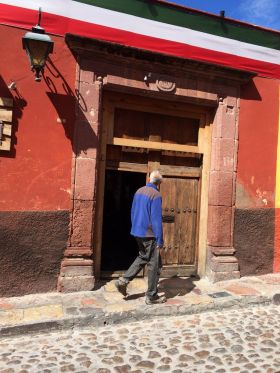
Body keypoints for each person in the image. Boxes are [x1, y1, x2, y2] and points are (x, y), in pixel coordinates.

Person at [115, 170, 167, 305]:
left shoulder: (139, 191)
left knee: (143, 256)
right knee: (154, 264)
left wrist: (135, 227)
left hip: (137, 232)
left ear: (150, 179)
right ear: (159, 183)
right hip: (149, 234)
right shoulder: (155, 195)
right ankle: (151, 296)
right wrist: (160, 239)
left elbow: (132, 211)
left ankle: (123, 280)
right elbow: (156, 219)